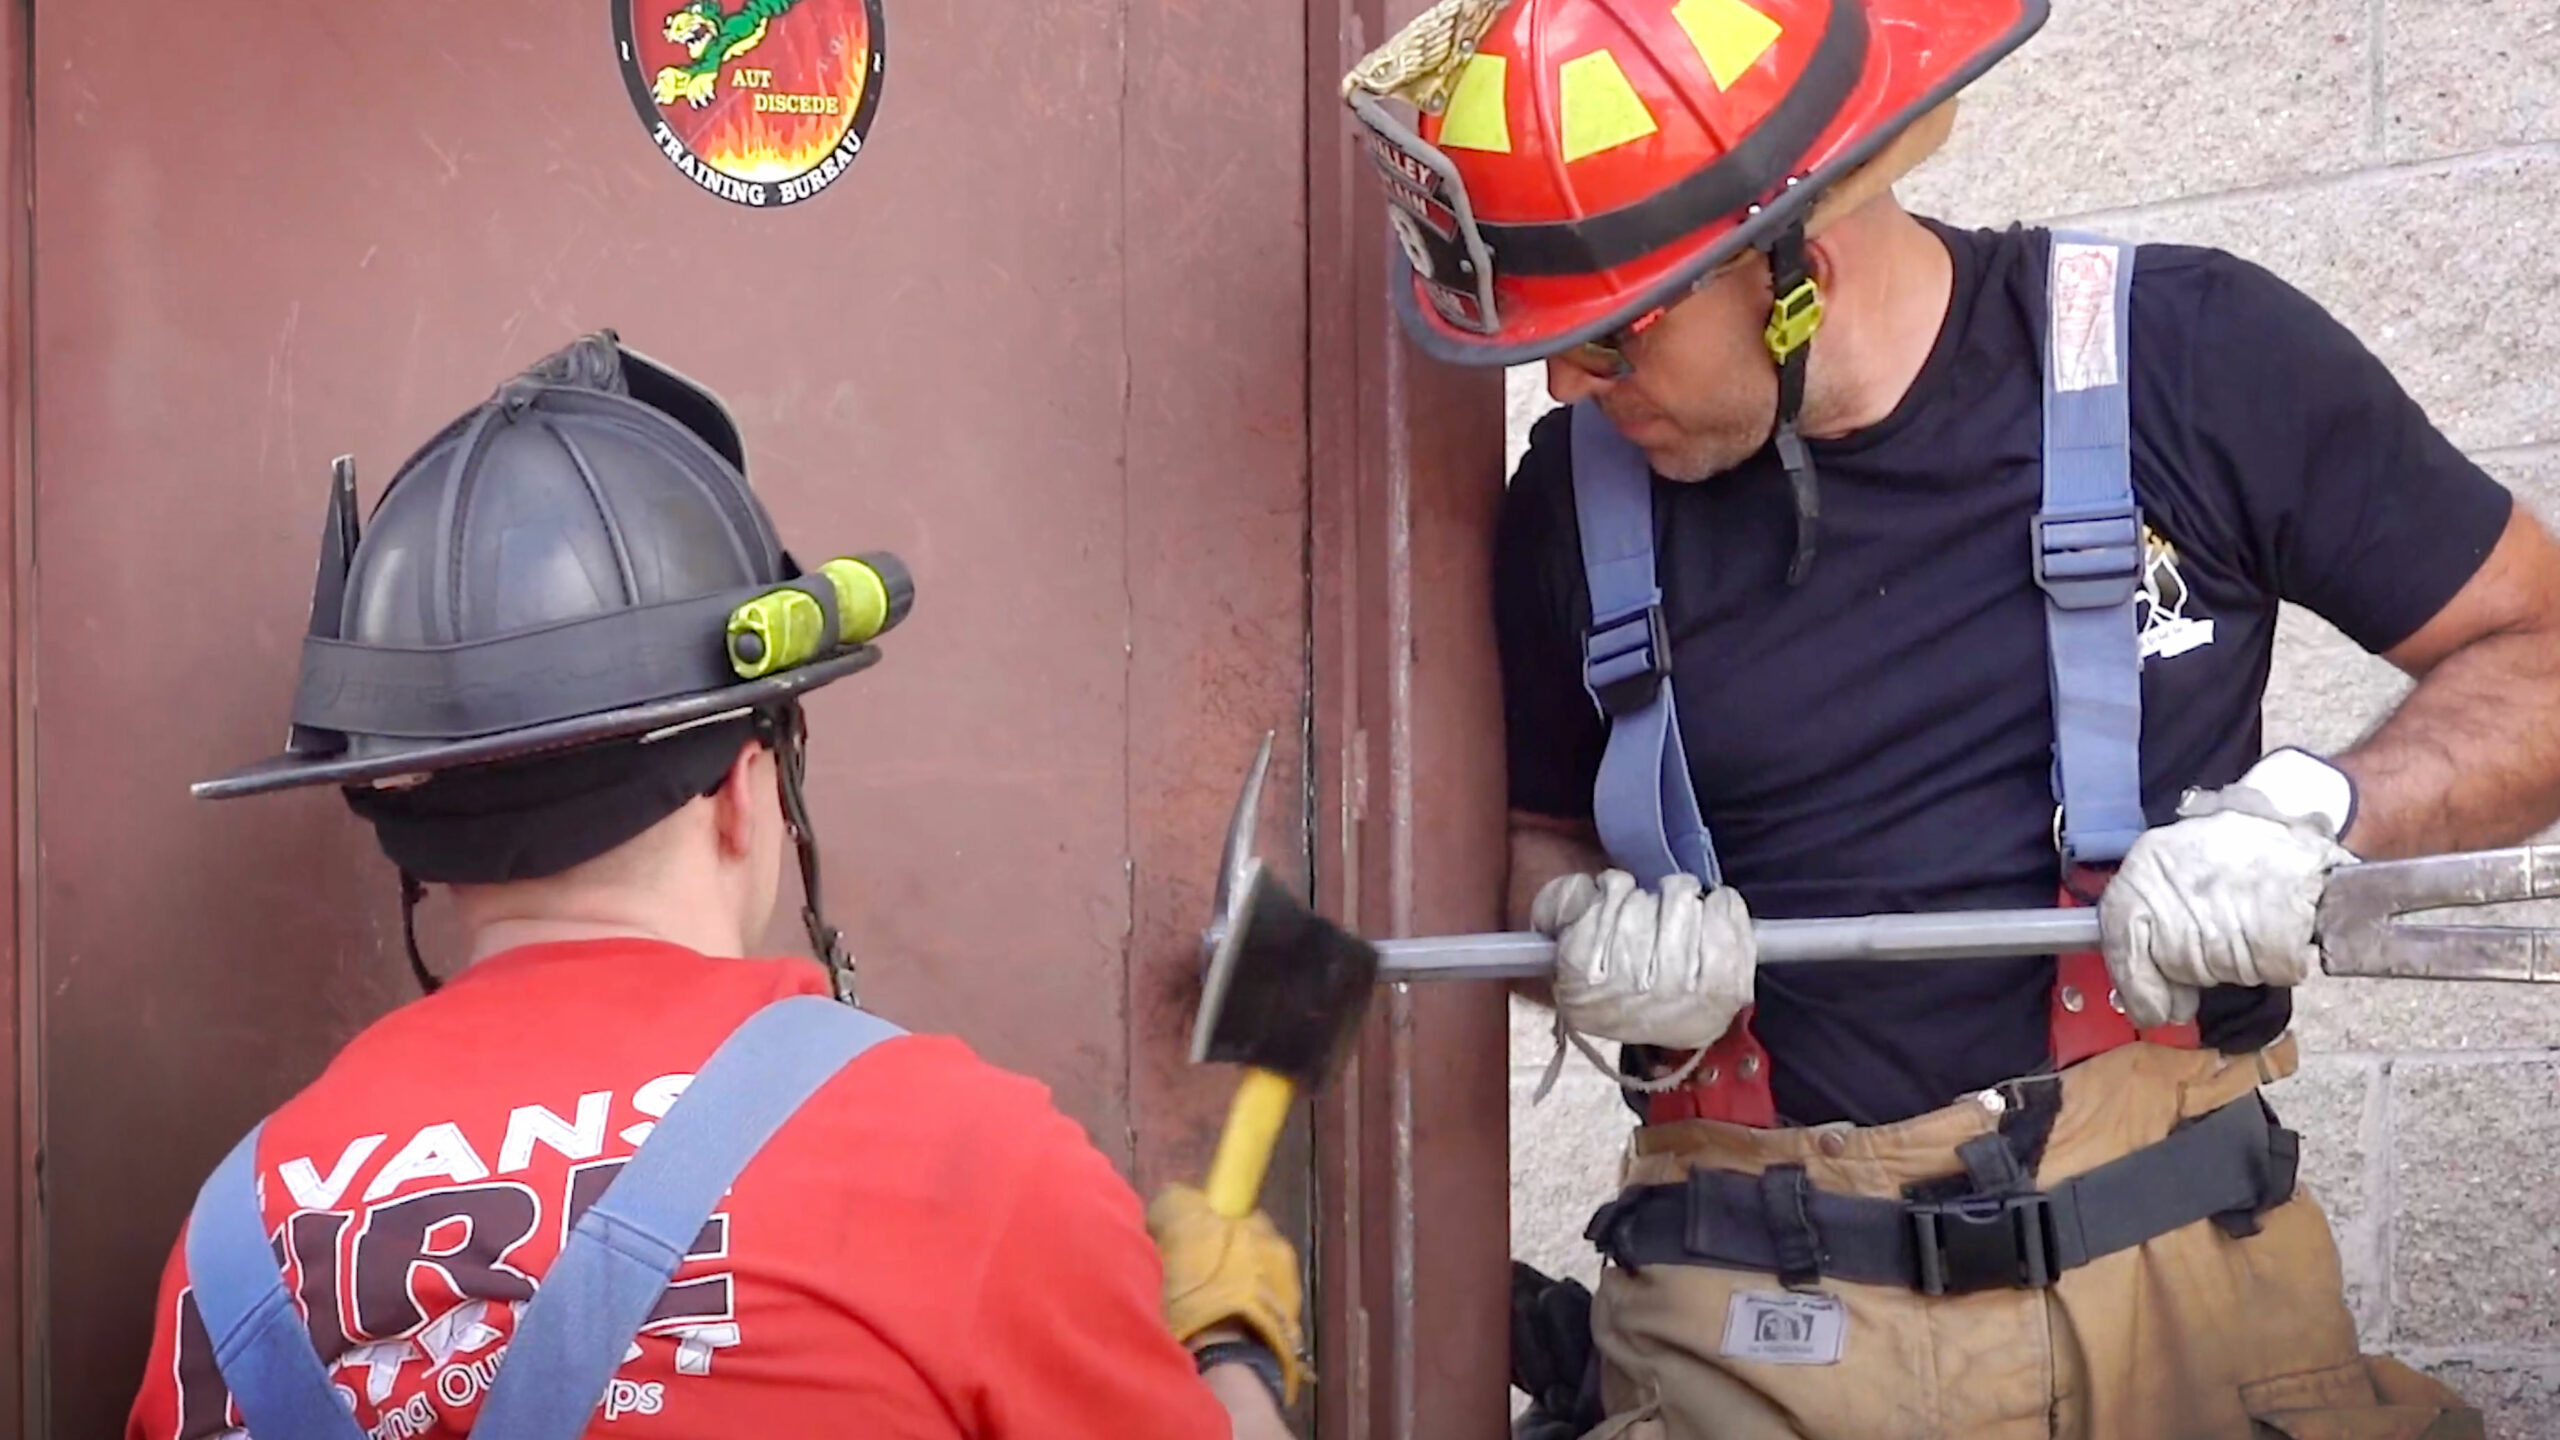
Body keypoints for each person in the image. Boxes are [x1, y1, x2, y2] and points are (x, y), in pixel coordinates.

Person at [1344, 0, 2560, 1435]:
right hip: (1751, 1324)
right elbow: (1532, 840)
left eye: (1613, 341)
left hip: (2182, 1297)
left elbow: (2534, 648)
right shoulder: (1576, 502)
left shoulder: (2191, 359)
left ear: (1795, 263)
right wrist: (1581, 940)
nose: (1568, 386)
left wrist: (2327, 817)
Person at [124, 332, 1306, 1440]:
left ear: (412, 837)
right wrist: (1225, 1352)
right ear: (750, 790)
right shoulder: (961, 1166)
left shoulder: (226, 1260)